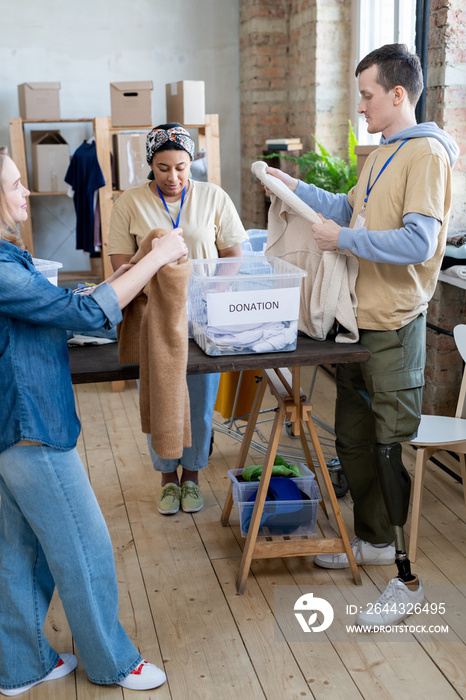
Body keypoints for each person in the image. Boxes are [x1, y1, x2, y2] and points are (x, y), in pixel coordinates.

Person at [265, 44, 459, 627]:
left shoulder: (425, 154)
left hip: (393, 326)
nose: (361, 107)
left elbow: (420, 243)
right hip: (354, 323)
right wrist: (290, 188)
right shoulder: (380, 154)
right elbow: (346, 215)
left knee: (385, 445)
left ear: (398, 95)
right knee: (351, 439)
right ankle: (374, 539)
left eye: (368, 96)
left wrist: (342, 240)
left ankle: (407, 579)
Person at [0, 152, 188, 695]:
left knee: (19, 550)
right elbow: (83, 316)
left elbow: (58, 305)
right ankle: (111, 663)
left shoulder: (9, 258)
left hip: (15, 424)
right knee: (85, 546)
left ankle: (19, 666)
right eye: (15, 184)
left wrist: (128, 270)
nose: (25, 193)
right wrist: (157, 261)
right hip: (29, 423)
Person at [108, 123, 247, 516]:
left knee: (201, 402)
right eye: (164, 168)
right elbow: (122, 267)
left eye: (182, 167)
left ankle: (193, 477)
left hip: (203, 320)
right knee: (160, 397)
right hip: (153, 319)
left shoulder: (213, 197)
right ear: (150, 165)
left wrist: (214, 296)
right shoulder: (128, 203)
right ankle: (167, 479)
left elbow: (234, 255)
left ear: (192, 163)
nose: (173, 177)